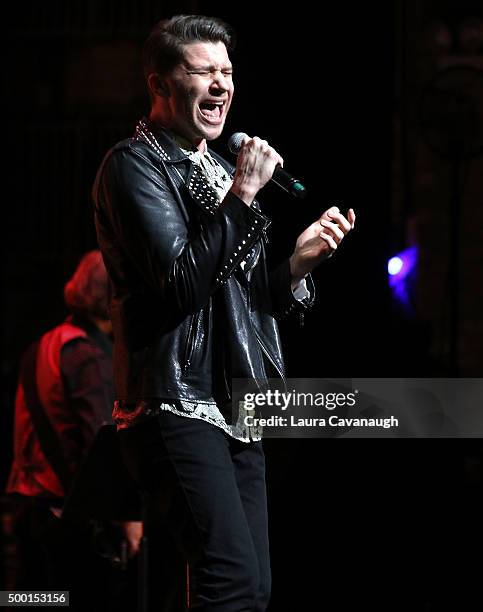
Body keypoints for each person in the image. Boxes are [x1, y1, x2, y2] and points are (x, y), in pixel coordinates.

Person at [92, 14, 355, 612]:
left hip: (236, 406)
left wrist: (295, 265)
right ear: (159, 84)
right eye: (203, 71)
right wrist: (242, 196)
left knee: (253, 588)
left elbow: (243, 302)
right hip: (175, 401)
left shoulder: (217, 170)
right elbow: (180, 284)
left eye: (227, 72)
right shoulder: (135, 166)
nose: (220, 85)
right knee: (229, 580)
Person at [6, 250, 140, 611]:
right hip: (65, 520)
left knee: (26, 600)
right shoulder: (87, 355)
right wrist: (127, 517)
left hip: (25, 507)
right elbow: (99, 443)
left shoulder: (45, 343)